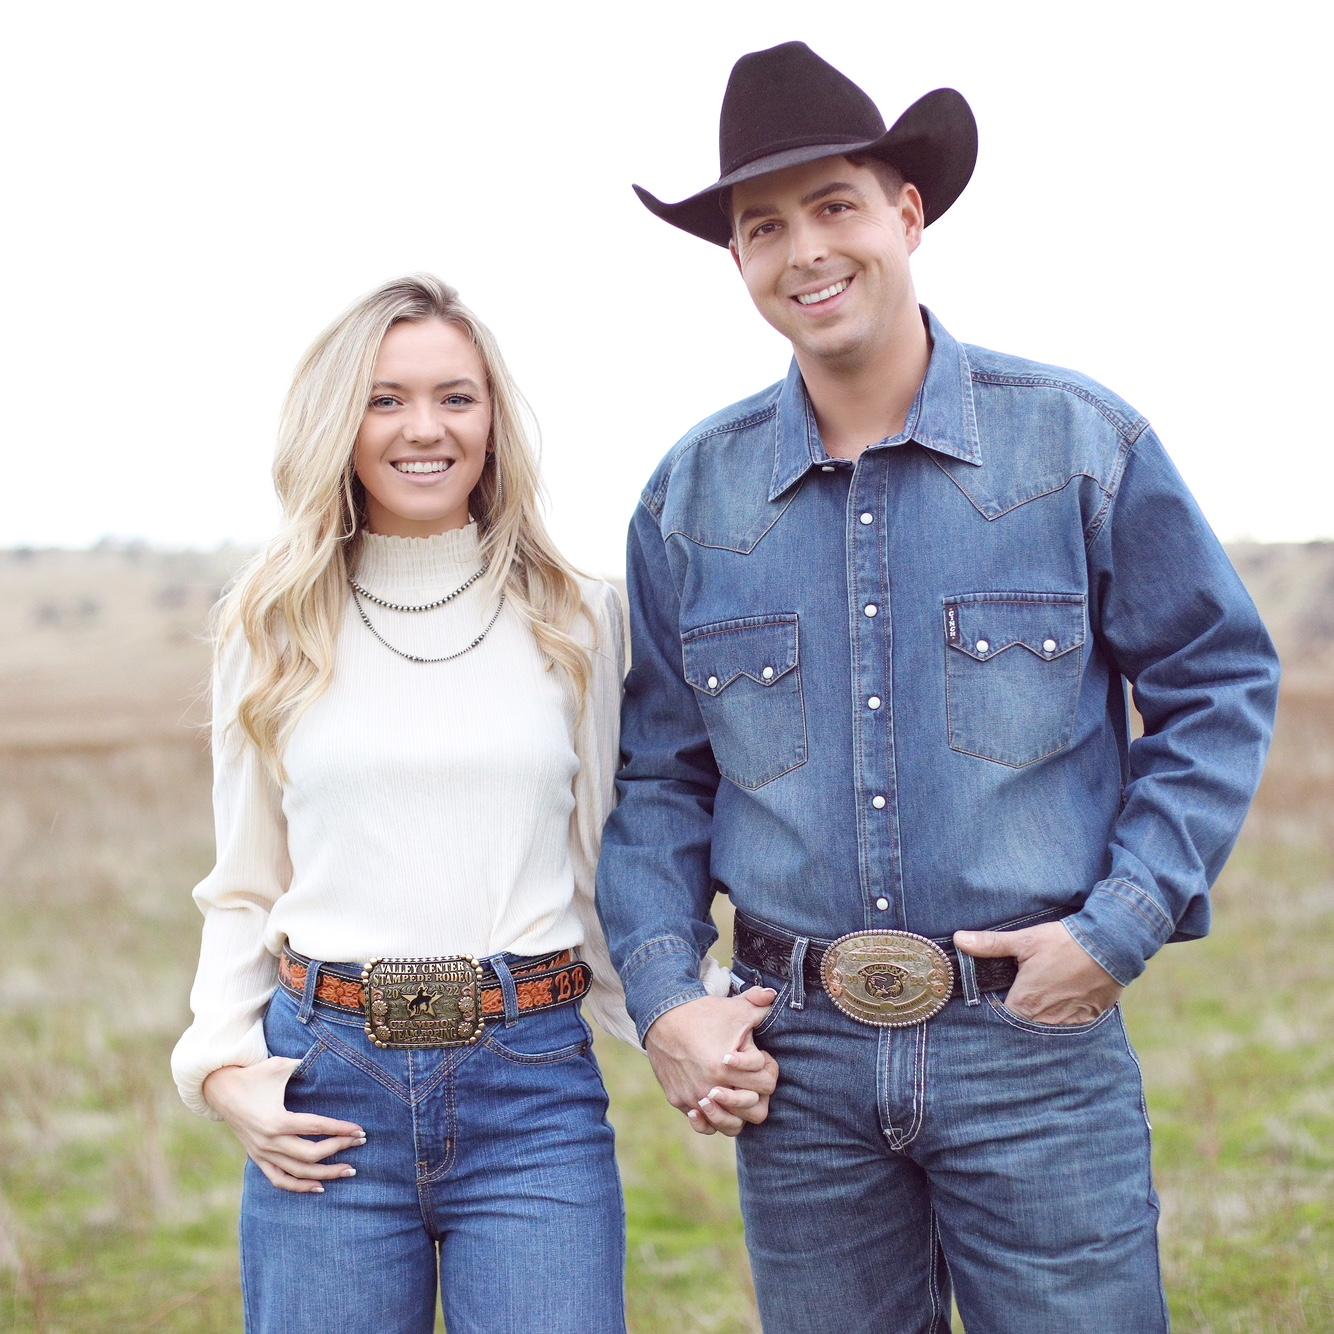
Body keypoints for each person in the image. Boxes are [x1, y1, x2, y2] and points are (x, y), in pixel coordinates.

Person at [596, 41, 1280, 1332]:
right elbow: (659, 778)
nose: (805, 250)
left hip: (1030, 1044)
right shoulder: (690, 498)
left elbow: (1215, 683)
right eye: (762, 226)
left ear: (906, 213)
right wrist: (668, 995)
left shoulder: (1076, 444)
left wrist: (1118, 923)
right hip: (798, 1067)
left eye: (833, 205)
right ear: (736, 260)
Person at [169, 274, 772, 1332]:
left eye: (456, 396)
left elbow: (600, 863)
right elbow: (245, 883)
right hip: (325, 1085)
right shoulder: (269, 622)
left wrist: (682, 1014)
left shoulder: (575, 615)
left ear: (493, 419)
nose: (425, 428)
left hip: (529, 1091)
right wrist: (219, 1066)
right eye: (385, 398)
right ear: (338, 422)